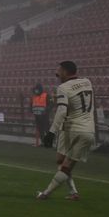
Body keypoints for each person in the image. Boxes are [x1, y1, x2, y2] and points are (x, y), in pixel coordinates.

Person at [36, 61, 95, 201]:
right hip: (88, 130)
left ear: (65, 71)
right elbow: (77, 97)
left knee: (65, 165)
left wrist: (51, 132)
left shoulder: (63, 87)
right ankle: (73, 193)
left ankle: (46, 194)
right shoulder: (87, 82)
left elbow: (62, 111)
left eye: (59, 72)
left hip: (72, 128)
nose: (58, 75)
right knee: (61, 160)